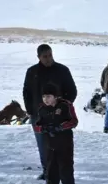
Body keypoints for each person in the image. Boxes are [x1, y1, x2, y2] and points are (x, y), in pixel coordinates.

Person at [23, 44, 77, 180]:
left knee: (61, 145)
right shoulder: (32, 72)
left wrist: (65, 106)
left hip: (60, 116)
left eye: (50, 55)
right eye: (44, 57)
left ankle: (62, 172)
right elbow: (27, 92)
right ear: (39, 57)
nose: (48, 59)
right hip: (39, 115)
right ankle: (48, 171)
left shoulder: (62, 70)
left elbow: (72, 90)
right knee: (44, 145)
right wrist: (30, 110)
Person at [34, 83, 78, 184]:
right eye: (43, 96)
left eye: (48, 96)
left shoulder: (65, 105)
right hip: (49, 144)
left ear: (55, 96)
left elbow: (74, 121)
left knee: (65, 170)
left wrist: (60, 127)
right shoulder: (42, 109)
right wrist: (44, 128)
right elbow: (36, 127)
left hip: (64, 144)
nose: (46, 99)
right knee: (51, 172)